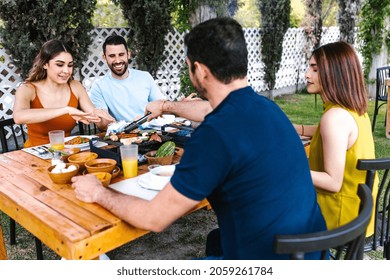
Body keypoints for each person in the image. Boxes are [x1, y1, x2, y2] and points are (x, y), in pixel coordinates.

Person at [72, 17, 326, 260]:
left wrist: (99, 192)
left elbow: (154, 218)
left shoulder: (214, 135)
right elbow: (210, 109)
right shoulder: (268, 109)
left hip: (263, 262)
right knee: (215, 239)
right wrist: (167, 105)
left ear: (200, 70)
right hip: (312, 253)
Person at [294, 41, 378, 237]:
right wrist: (296, 129)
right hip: (358, 214)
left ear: (334, 73)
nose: (307, 75)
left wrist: (289, 168)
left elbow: (332, 183)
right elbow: (330, 132)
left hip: (338, 220)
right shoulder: (354, 110)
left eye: (314, 69)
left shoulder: (334, 118)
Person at [13, 39, 115, 147]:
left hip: (68, 152)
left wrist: (104, 118)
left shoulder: (75, 86)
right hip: (35, 154)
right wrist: (66, 110)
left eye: (70, 65)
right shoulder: (27, 89)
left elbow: (95, 118)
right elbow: (19, 116)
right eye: (60, 65)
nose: (66, 71)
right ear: (44, 64)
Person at [89, 35, 165, 126]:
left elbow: (161, 107)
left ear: (128, 54)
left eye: (121, 55)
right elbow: (103, 125)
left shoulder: (145, 77)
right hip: (122, 135)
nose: (117, 61)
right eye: (112, 56)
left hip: (151, 130)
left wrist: (143, 121)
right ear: (104, 58)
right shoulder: (98, 86)